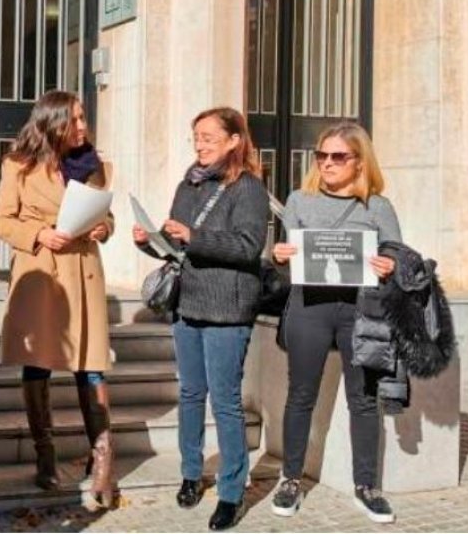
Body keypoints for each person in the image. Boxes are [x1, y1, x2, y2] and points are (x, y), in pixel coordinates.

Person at [132, 107, 268, 531]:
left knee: (224, 402)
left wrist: (195, 236)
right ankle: (191, 473)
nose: (201, 144)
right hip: (187, 302)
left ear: (234, 140)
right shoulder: (187, 184)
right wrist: (150, 242)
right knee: (190, 394)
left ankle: (231, 492)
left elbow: (248, 246)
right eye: (196, 137)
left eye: (209, 137)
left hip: (227, 306)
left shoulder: (248, 188)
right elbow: (177, 250)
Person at [269, 121, 401, 524]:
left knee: (363, 400)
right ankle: (290, 479)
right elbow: (290, 263)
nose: (327, 163)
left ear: (359, 161)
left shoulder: (378, 207)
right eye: (321, 155)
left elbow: (398, 259)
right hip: (309, 305)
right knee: (300, 395)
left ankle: (366, 486)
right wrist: (277, 256)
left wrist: (389, 264)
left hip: (361, 309)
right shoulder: (298, 200)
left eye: (337, 156)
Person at [0, 90, 117, 508]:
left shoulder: (93, 165)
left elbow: (105, 213)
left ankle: (102, 461)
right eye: (75, 120)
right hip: (41, 271)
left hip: (83, 272)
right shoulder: (18, 165)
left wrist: (103, 228)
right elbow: (0, 221)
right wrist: (40, 234)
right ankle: (46, 457)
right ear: (52, 123)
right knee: (38, 364)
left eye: (84, 118)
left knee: (92, 366)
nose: (83, 126)